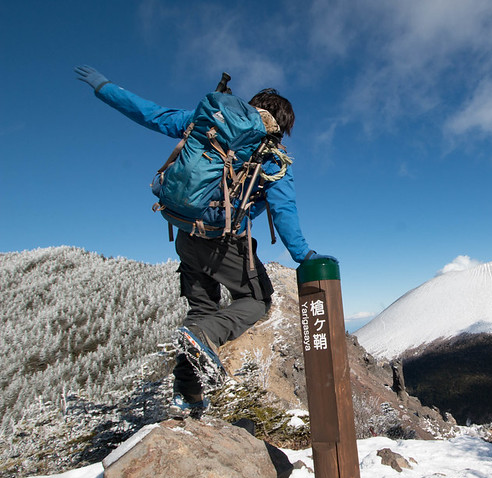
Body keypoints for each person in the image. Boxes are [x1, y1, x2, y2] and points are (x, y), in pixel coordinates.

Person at [75, 65, 335, 419]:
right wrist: (304, 256)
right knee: (256, 301)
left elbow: (152, 114)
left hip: (185, 234)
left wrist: (105, 88)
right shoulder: (272, 157)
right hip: (223, 241)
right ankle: (204, 344)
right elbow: (284, 211)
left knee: (201, 311)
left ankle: (190, 396)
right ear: (281, 124)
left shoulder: (208, 123)